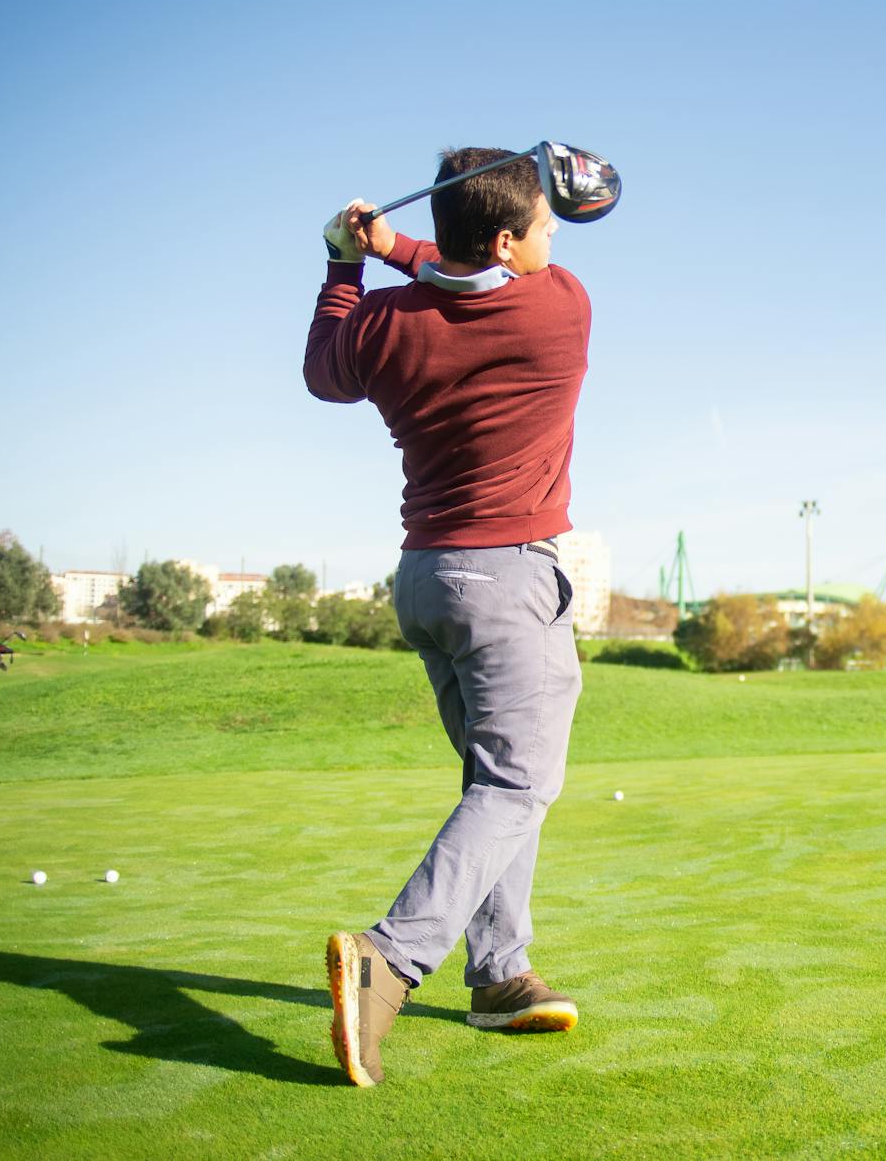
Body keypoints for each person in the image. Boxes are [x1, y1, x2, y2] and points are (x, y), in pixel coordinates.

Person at [304, 147, 591, 1086]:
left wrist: (351, 260)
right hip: (508, 582)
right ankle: (391, 959)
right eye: (544, 227)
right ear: (507, 241)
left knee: (494, 780)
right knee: (516, 787)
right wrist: (395, 248)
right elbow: (464, 273)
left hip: (425, 579)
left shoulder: (383, 323)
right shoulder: (559, 309)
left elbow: (325, 373)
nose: (554, 241)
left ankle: (500, 972)